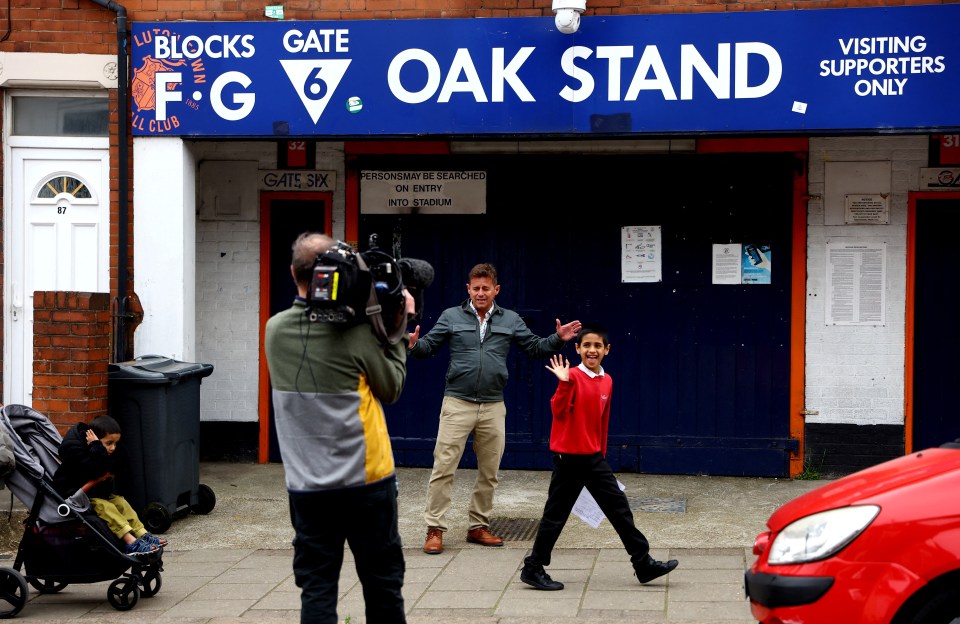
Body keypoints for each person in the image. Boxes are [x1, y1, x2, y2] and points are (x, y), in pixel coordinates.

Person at [264, 231, 416, 624]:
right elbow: (392, 388)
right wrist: (398, 329)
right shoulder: (356, 332)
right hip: (367, 484)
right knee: (383, 586)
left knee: (317, 588)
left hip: (307, 489)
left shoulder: (275, 330)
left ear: (293, 273)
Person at [408, 261, 581, 554]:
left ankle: (478, 526)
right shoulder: (451, 316)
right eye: (475, 288)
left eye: (485, 288)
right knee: (443, 468)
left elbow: (535, 347)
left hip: (492, 406)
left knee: (489, 471)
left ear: (496, 289)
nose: (480, 293)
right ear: (468, 288)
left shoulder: (510, 320)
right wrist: (412, 345)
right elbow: (428, 348)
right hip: (457, 403)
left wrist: (557, 340)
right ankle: (434, 529)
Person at [520, 324, 679, 590]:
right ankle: (533, 567)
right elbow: (558, 412)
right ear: (578, 348)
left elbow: (602, 422)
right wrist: (564, 384)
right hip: (569, 459)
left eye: (597, 346)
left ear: (607, 350)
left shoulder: (607, 380)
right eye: (586, 346)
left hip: (594, 459)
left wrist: (601, 454)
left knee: (620, 509)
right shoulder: (570, 376)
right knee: (555, 516)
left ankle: (643, 563)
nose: (591, 350)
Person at [52, 415, 166, 555]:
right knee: (105, 507)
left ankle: (142, 534)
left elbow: (119, 464)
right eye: (109, 443)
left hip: (96, 492)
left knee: (120, 502)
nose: (113, 448)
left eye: (115, 443)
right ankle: (130, 541)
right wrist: (97, 446)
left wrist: (102, 448)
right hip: (76, 494)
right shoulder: (78, 451)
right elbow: (97, 471)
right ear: (92, 438)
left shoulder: (104, 450)